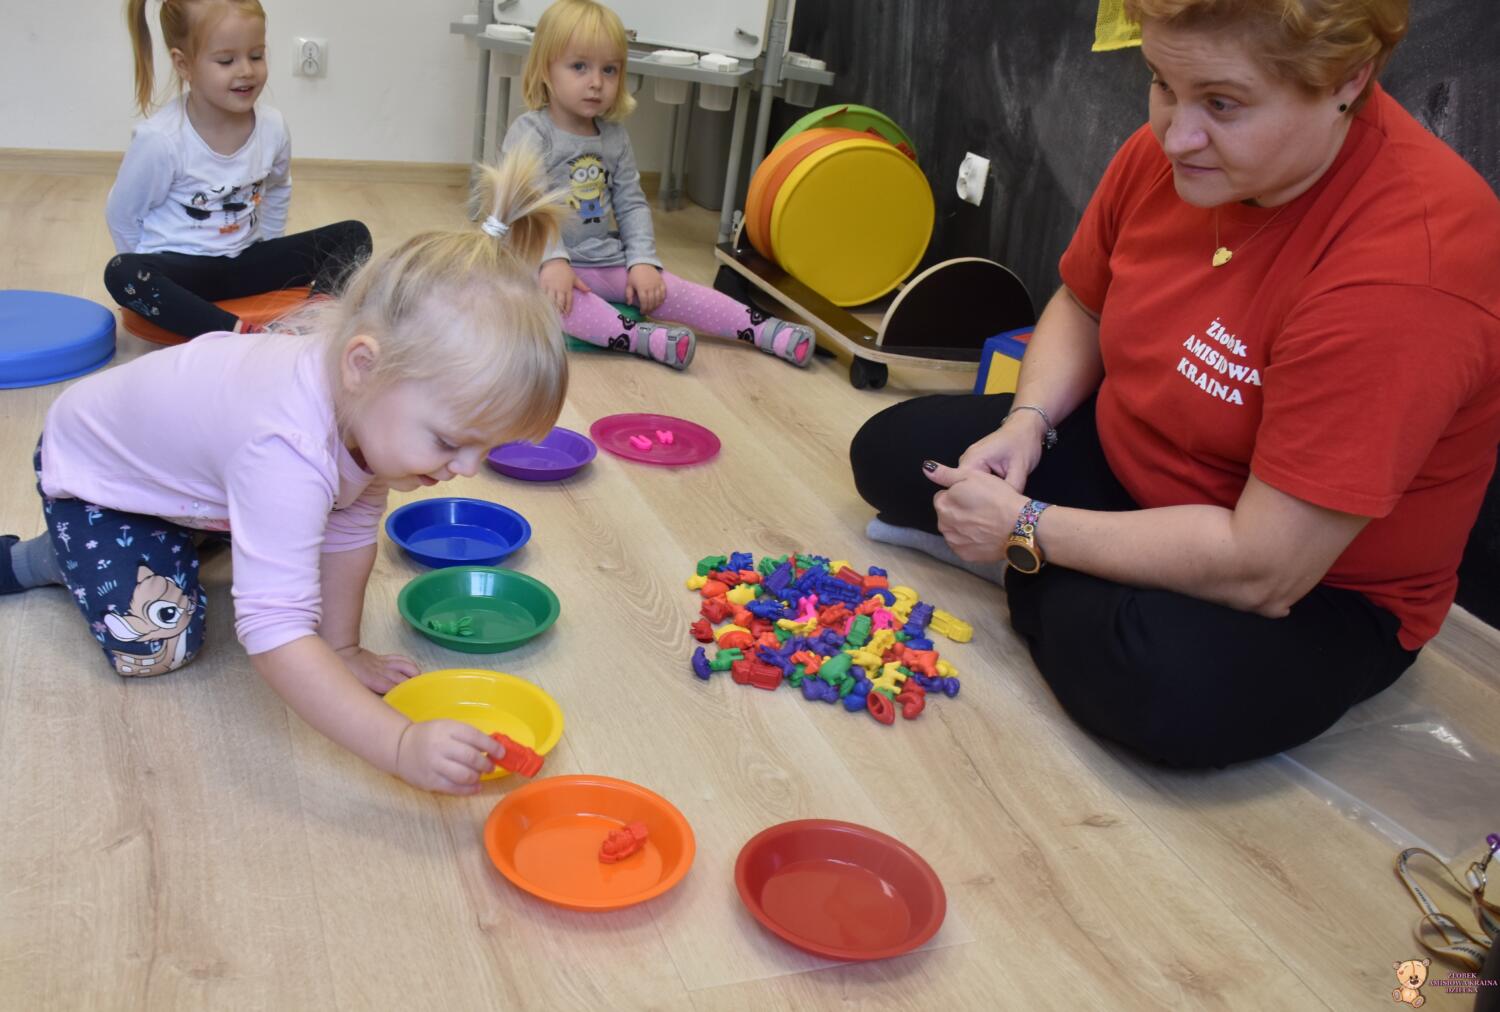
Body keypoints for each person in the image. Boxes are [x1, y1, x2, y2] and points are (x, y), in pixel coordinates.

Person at [850, 0, 1500, 768]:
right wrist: (1028, 422)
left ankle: (1037, 566)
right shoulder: (1180, 150)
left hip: (1312, 583)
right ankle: (1066, 572)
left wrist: (1026, 527)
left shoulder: (1407, 273)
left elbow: (1265, 568)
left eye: (1222, 104)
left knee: (1158, 686)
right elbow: (1084, 302)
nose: (1175, 134)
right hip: (1136, 466)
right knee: (890, 453)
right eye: (1161, 81)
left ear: (1347, 82)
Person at [1, 147, 569, 796]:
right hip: (98, 476)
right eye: (449, 441)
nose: (466, 469)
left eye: (485, 448)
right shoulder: (286, 447)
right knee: (157, 644)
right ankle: (46, 559)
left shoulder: (369, 405)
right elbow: (273, 634)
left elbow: (349, 528)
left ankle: (180, 538)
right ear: (363, 365)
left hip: (196, 478)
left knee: (281, 534)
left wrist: (342, 650)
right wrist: (397, 743)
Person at [503, 0, 815, 370]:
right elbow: (527, 205)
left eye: (609, 69)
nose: (596, 82)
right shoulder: (531, 133)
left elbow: (631, 204)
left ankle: (764, 330)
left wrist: (642, 261)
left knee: (670, 289)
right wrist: (553, 261)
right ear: (545, 69)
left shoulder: (614, 137)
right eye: (579, 67)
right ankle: (642, 339)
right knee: (555, 303)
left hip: (601, 257)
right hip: (538, 264)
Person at [103, 0, 372, 339]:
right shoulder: (160, 140)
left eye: (256, 56)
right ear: (184, 64)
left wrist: (270, 250)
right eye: (226, 61)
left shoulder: (272, 127)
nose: (246, 70)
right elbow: (122, 215)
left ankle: (310, 323)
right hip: (184, 271)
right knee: (121, 272)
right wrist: (156, 281)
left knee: (354, 234)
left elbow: (278, 186)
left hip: (246, 260)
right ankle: (240, 334)